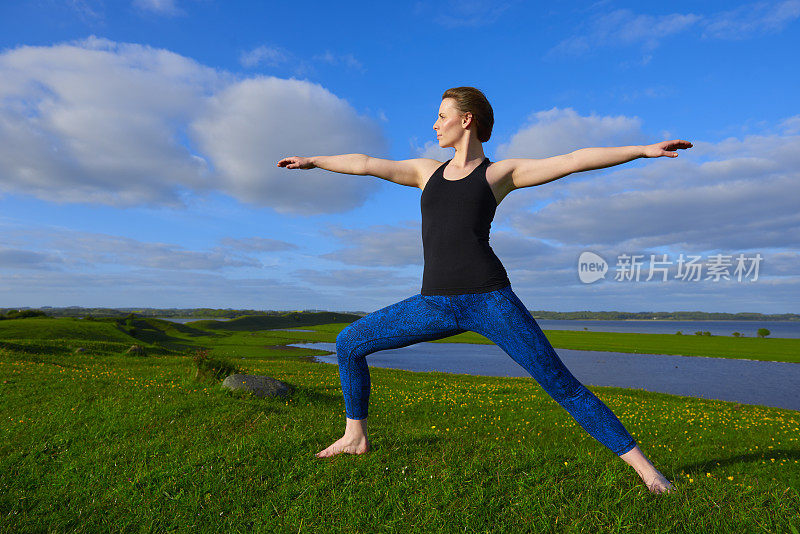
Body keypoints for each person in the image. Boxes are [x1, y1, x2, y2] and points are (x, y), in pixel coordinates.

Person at [277, 86, 692, 495]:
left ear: (466, 119)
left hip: (491, 300)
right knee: (349, 342)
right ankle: (355, 436)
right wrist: (315, 161)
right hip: (433, 304)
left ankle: (647, 472)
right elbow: (366, 163)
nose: (435, 124)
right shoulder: (426, 172)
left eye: (442, 115)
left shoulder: (498, 174)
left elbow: (571, 160)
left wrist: (641, 149)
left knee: (561, 384)